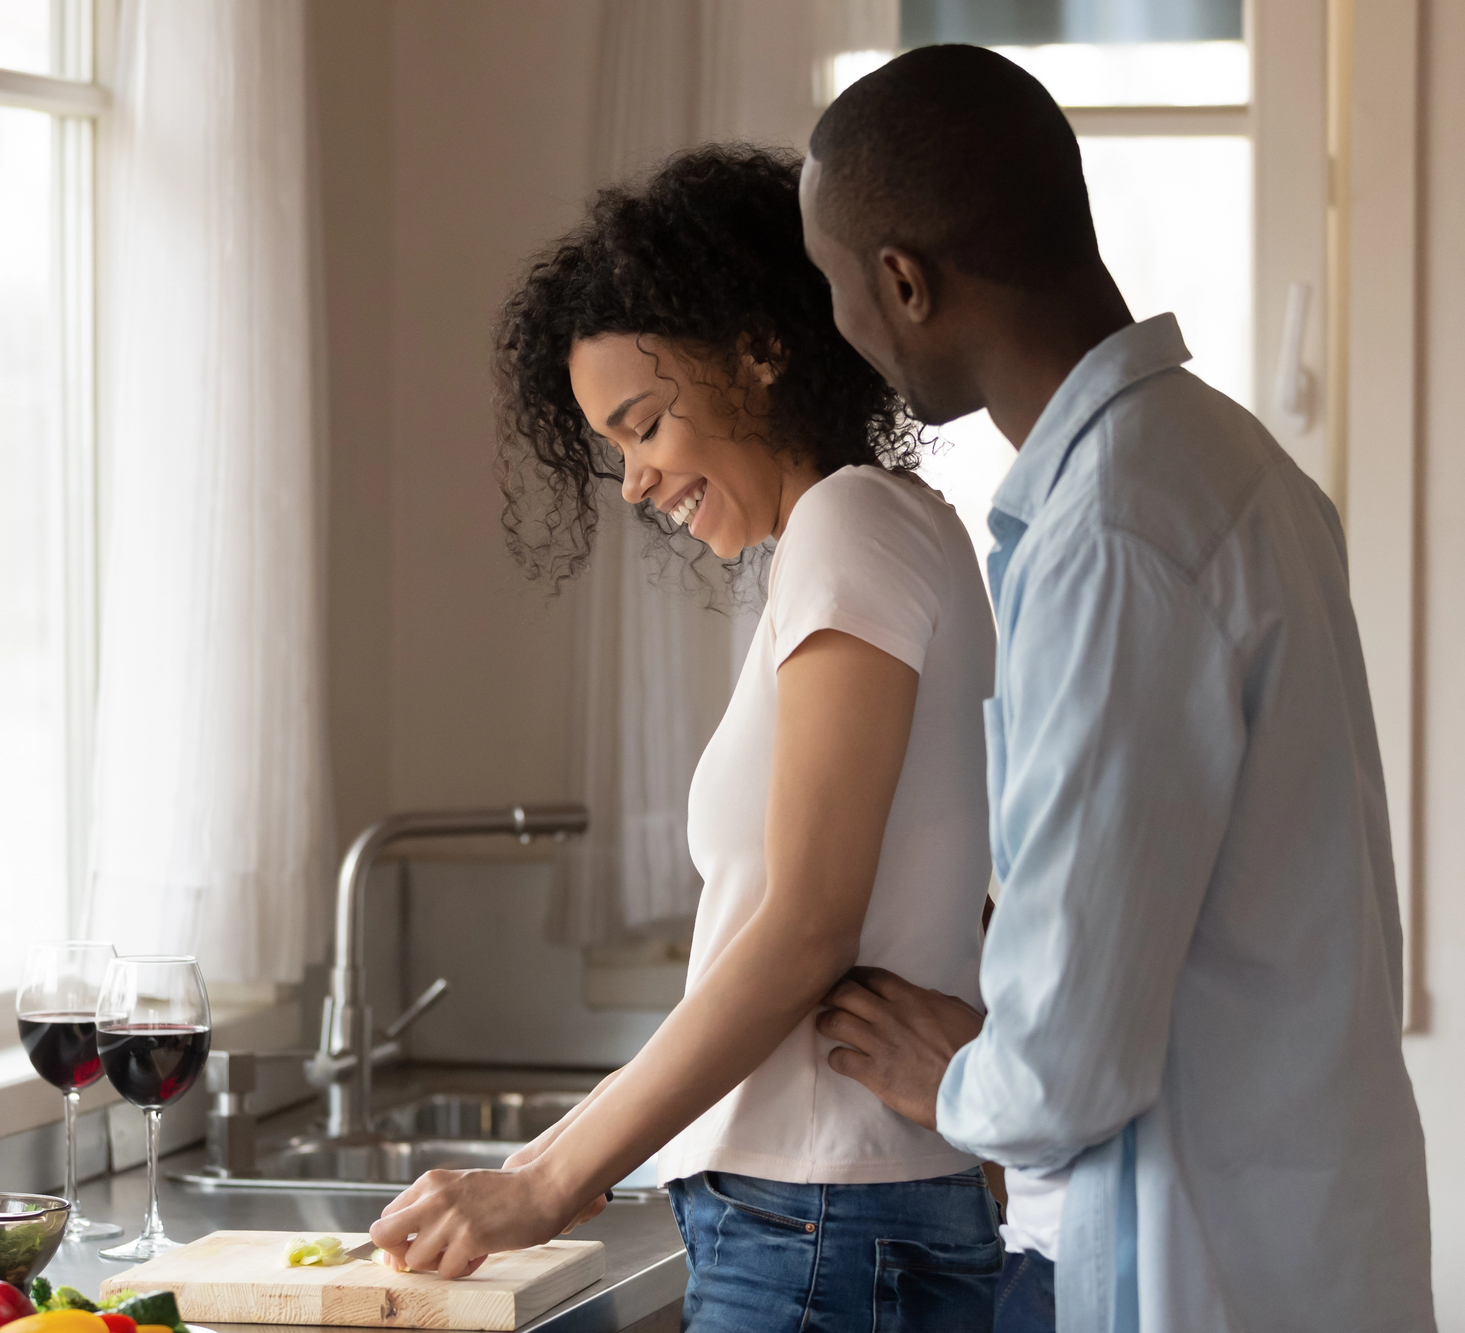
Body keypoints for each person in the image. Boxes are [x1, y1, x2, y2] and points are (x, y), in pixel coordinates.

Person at [795, 45, 1437, 1333]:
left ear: (903, 282)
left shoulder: (1113, 537)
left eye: (833, 286)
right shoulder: (1227, 466)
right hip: (1301, 1245)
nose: (835, 325)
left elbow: (1063, 1070)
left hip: (1190, 1270)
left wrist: (962, 1076)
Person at [368, 145, 1004, 1330]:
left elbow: (804, 927)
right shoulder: (888, 529)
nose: (631, 481)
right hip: (829, 1219)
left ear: (760, 354)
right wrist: (536, 1168)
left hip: (820, 1227)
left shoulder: (848, 526)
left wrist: (545, 1185)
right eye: (609, 445)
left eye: (643, 422)